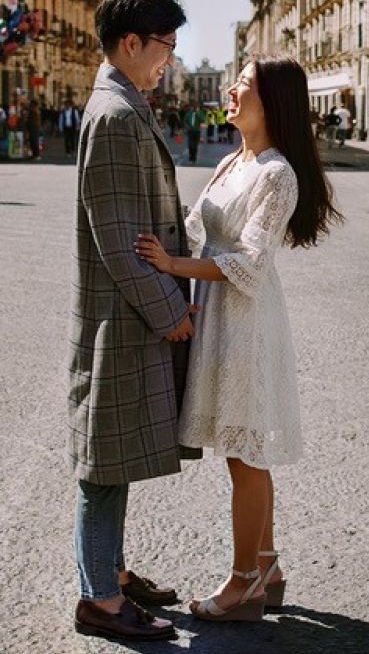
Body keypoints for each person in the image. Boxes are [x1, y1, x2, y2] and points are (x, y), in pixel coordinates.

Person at [134, 56, 338, 623]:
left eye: (243, 84)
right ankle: (266, 564)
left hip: (246, 321)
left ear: (271, 102)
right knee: (240, 452)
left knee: (245, 454)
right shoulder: (232, 161)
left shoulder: (277, 173)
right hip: (222, 317)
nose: (231, 90)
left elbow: (248, 264)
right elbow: (195, 224)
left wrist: (173, 267)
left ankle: (244, 580)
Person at [67, 0, 194, 642]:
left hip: (126, 314)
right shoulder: (115, 114)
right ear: (131, 42)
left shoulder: (125, 104)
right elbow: (118, 237)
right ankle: (99, 598)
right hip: (123, 316)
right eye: (164, 46)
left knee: (113, 455)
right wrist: (169, 307)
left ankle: (110, 573)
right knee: (103, 464)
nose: (169, 59)